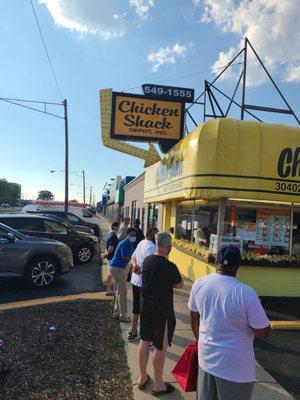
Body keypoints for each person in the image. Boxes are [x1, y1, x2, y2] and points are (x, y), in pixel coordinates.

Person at [188, 244, 270, 400]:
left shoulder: (199, 284)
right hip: (235, 369)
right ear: (238, 265)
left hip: (206, 359)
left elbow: (193, 316)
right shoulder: (246, 293)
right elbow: (264, 331)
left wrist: (199, 340)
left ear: (217, 261)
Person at [138, 231, 183, 395]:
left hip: (146, 308)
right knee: (160, 347)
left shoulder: (147, 261)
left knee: (144, 341)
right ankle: (158, 384)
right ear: (168, 246)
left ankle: (142, 377)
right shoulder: (170, 266)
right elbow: (179, 284)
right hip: (161, 312)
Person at [128, 227, 158, 342]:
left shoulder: (141, 242)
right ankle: (146, 336)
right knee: (146, 310)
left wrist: (135, 266)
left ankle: (133, 331)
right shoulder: (152, 247)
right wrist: (140, 269)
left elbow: (133, 257)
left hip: (135, 281)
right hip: (144, 283)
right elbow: (149, 267)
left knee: (136, 308)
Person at [109, 227, 136, 322]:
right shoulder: (125, 243)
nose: (133, 237)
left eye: (135, 235)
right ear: (127, 234)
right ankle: (123, 315)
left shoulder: (129, 243)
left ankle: (116, 312)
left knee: (118, 291)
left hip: (117, 268)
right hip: (118, 268)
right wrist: (133, 257)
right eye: (132, 235)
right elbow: (125, 257)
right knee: (123, 292)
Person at [102, 221, 119, 296]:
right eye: (118, 226)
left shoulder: (110, 234)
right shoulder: (113, 236)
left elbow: (107, 246)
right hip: (112, 258)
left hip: (110, 257)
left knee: (110, 274)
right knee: (111, 275)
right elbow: (111, 247)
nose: (119, 228)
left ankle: (110, 289)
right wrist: (106, 254)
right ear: (115, 227)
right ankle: (110, 290)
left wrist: (106, 253)